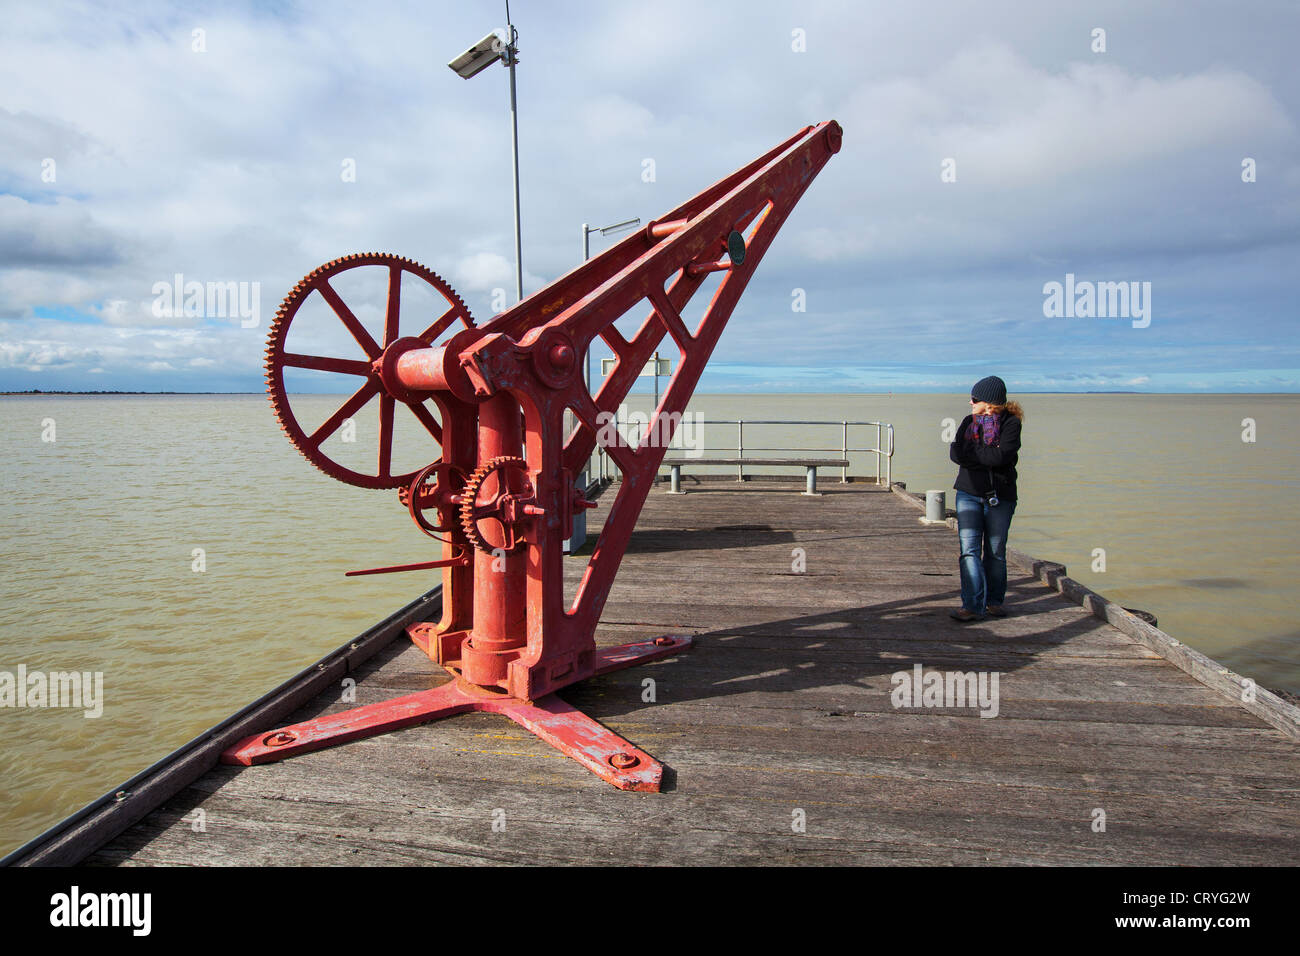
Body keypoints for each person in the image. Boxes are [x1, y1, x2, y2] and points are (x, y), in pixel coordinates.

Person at [947, 376, 1024, 622]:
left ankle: (993, 601)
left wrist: (976, 453)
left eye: (974, 399)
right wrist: (985, 454)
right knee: (969, 551)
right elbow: (956, 453)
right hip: (968, 494)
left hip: (1001, 497)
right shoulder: (968, 422)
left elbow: (1000, 458)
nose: (970, 402)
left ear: (989, 403)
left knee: (995, 552)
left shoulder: (1011, 424)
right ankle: (971, 605)